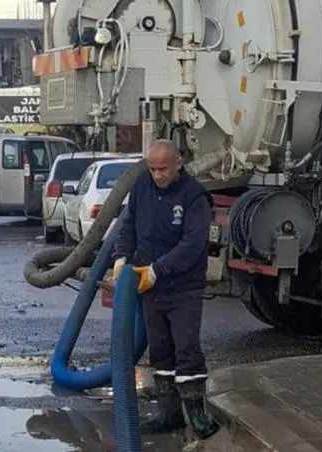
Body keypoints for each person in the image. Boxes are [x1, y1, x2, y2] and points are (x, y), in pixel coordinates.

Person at [111, 139, 219, 439]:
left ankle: (198, 417)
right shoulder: (142, 188)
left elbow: (193, 244)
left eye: (163, 169)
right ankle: (168, 415)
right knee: (160, 350)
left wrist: (159, 270)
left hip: (182, 287)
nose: (158, 175)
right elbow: (129, 225)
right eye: (153, 169)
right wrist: (121, 257)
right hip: (149, 285)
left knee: (186, 349)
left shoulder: (194, 197)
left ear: (178, 165)